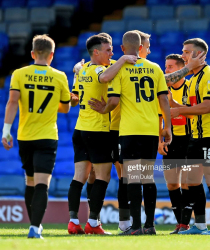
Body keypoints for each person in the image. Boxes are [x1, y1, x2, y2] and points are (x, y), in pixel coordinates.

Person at [89, 31, 172, 235]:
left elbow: (114, 101)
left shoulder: (121, 70)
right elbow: (164, 100)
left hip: (129, 131)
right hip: (151, 131)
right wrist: (167, 127)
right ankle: (150, 225)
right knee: (148, 177)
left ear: (123, 49)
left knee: (133, 177)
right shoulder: (155, 69)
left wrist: (103, 109)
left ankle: (135, 226)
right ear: (141, 47)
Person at [1, 34, 71, 239]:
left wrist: (6, 130)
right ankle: (35, 227)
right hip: (47, 136)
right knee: (42, 183)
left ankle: (34, 225)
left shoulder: (19, 74)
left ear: (32, 53)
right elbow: (65, 108)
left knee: (30, 181)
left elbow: (12, 102)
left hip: (25, 136)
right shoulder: (59, 76)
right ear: (51, 55)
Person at [67, 34, 137, 235]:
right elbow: (105, 77)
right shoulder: (100, 69)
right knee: (103, 176)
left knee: (80, 176)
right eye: (108, 50)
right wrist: (124, 59)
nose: (112, 53)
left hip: (80, 129)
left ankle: (73, 222)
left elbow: (74, 98)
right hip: (98, 131)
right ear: (95, 52)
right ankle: (93, 223)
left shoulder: (83, 69)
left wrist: (77, 71)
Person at [169, 38, 210, 235]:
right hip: (195, 136)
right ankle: (200, 225)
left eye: (187, 52)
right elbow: (190, 111)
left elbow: (207, 107)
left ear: (199, 55)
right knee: (191, 180)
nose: (183, 55)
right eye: (183, 51)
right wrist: (173, 105)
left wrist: (178, 111)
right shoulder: (192, 80)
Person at [158, 54, 192, 234]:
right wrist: (159, 140)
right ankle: (180, 223)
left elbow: (195, 114)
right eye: (166, 67)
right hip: (170, 141)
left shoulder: (191, 87)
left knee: (187, 183)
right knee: (172, 184)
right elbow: (158, 116)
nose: (167, 70)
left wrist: (173, 103)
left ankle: (186, 224)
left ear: (181, 70)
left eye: (170, 67)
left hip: (188, 140)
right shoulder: (162, 89)